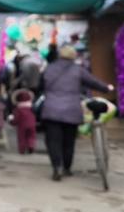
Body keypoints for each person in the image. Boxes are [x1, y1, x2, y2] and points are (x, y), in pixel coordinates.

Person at [39, 45, 114, 181]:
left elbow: (39, 86)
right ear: (73, 56)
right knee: (69, 141)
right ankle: (67, 168)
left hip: (51, 109)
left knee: (53, 141)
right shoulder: (78, 70)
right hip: (71, 110)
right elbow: (93, 82)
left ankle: (57, 167)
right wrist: (106, 88)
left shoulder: (49, 68)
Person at [9, 88, 37, 154]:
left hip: (22, 126)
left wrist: (12, 122)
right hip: (32, 124)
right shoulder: (31, 108)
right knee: (31, 136)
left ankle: (22, 150)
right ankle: (31, 146)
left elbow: (15, 119)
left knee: (22, 137)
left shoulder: (18, 109)